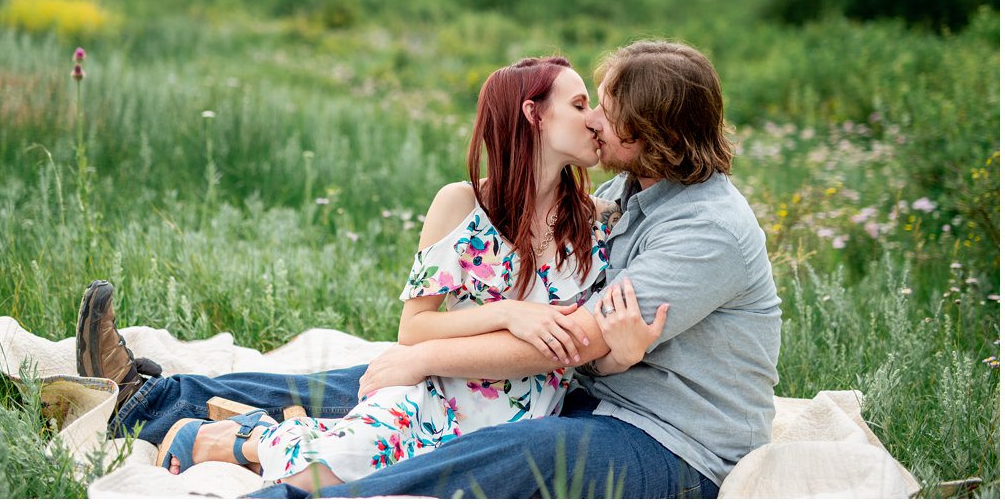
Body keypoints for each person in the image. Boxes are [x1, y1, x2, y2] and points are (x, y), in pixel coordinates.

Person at [85, 39, 780, 499]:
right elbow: (552, 310)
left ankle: (295, 486)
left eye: (607, 107)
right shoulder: (628, 195)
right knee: (372, 375)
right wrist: (433, 350)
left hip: (667, 442)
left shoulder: (709, 230)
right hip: (592, 393)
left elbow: (573, 340)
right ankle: (150, 399)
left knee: (508, 451)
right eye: (588, 101)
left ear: (643, 136)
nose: (596, 117)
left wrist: (429, 357)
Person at [153, 58, 654, 489]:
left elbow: (589, 342)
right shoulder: (461, 205)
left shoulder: (597, 222)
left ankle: (253, 430)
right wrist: (510, 312)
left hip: (518, 424)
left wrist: (622, 357)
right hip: (435, 388)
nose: (594, 121)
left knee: (384, 485)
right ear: (533, 114)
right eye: (579, 104)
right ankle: (237, 438)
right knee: (319, 476)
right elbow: (413, 328)